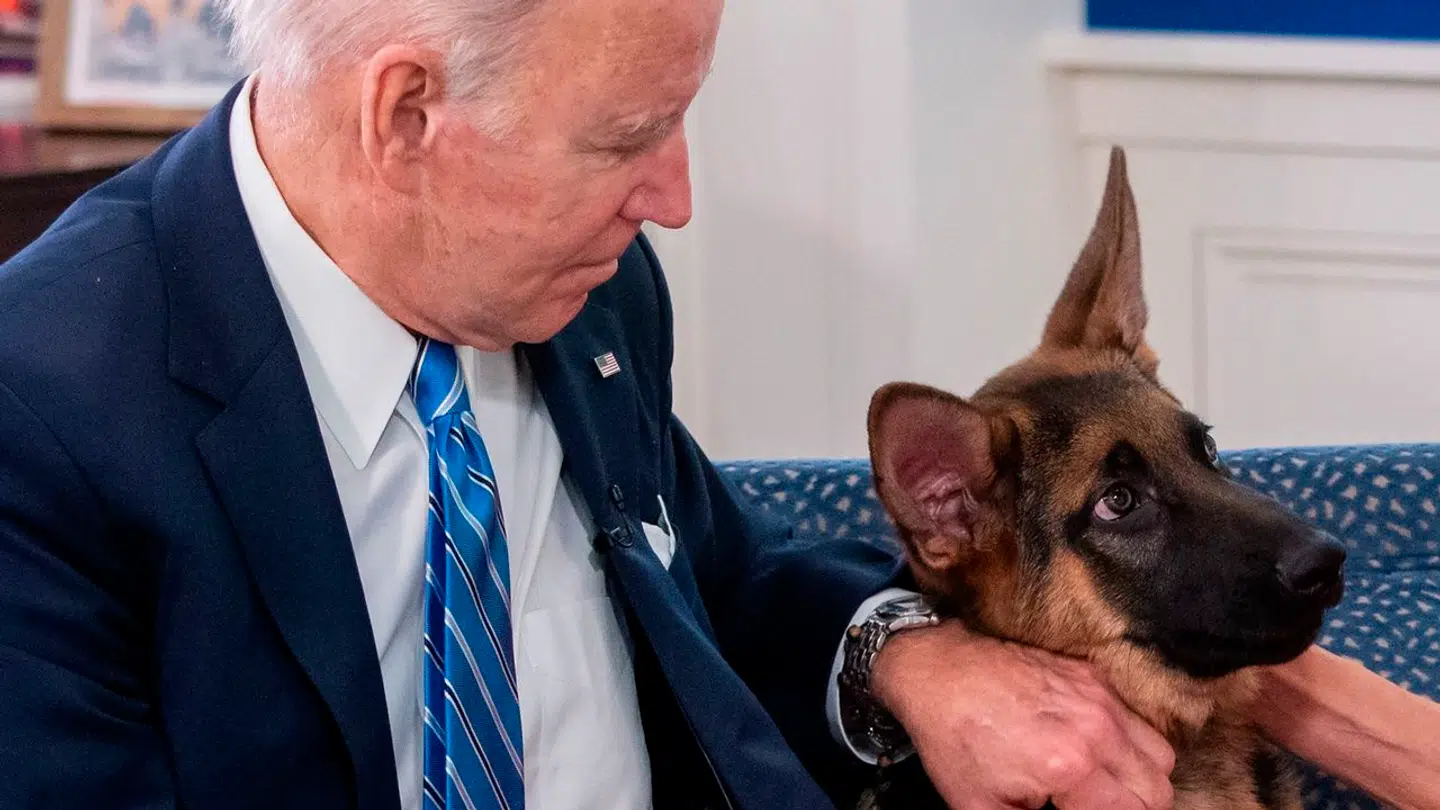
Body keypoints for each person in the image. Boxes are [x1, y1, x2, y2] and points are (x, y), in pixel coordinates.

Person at [0, 0, 1433, 808]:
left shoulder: (584, 291)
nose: (672, 198)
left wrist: (909, 658)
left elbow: (720, 575)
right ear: (405, 118)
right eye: (626, 138)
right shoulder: (49, 406)